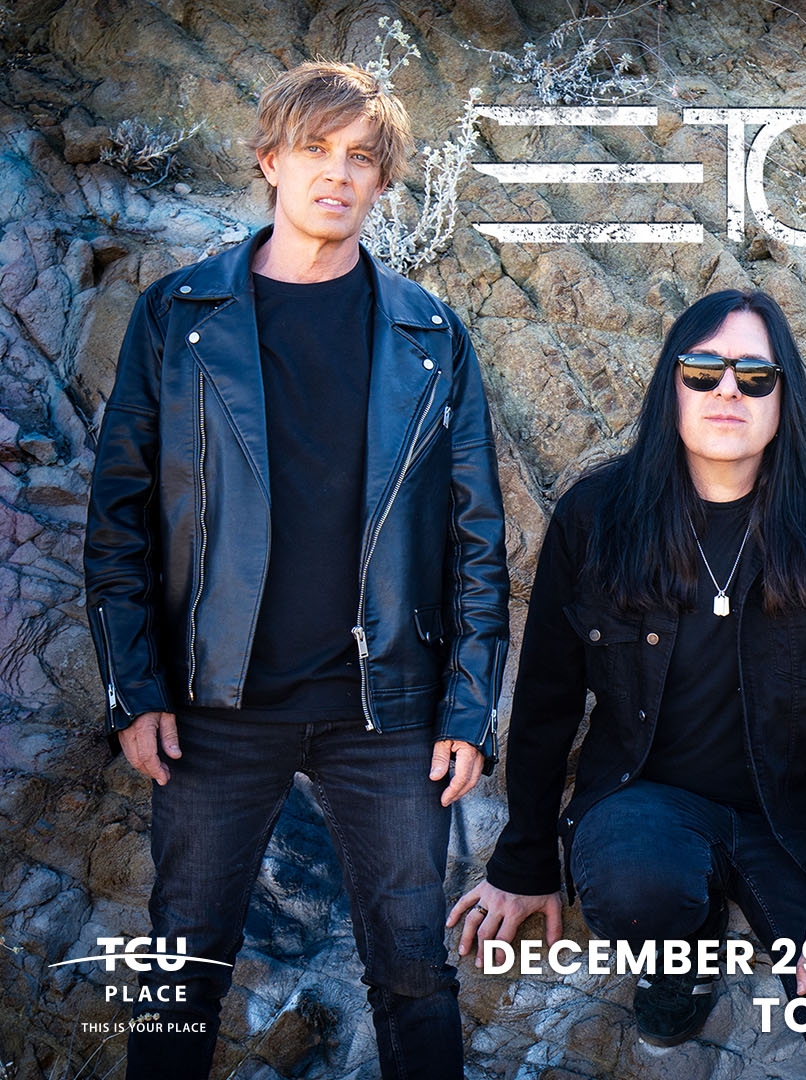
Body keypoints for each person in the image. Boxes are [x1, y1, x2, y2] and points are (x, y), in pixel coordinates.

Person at [82, 62, 509, 1079]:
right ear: (270, 161)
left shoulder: (429, 336)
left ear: (381, 182)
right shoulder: (178, 318)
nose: (340, 174)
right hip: (216, 708)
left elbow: (478, 541)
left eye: (363, 158)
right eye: (318, 151)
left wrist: (466, 709)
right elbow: (119, 521)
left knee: (414, 973)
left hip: (388, 712)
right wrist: (135, 688)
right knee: (182, 970)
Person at [452, 289, 806, 1078]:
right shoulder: (599, 516)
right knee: (640, 888)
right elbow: (546, 700)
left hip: (787, 816)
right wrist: (524, 858)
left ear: (784, 395)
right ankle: (678, 967)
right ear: (671, 384)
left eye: (754, 375)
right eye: (702, 371)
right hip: (644, 802)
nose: (727, 390)